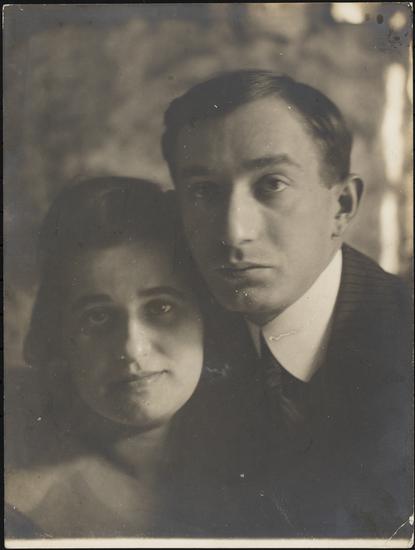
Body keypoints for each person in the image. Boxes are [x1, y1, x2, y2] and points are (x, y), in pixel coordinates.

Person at [161, 70, 413, 538]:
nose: (235, 232)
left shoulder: (402, 335)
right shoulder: (172, 338)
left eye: (271, 185)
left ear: (342, 205)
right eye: (204, 192)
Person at [5, 176, 267, 539]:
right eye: (97, 317)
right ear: (61, 336)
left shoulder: (266, 454)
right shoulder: (21, 509)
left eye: (161, 308)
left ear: (206, 314)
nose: (132, 347)